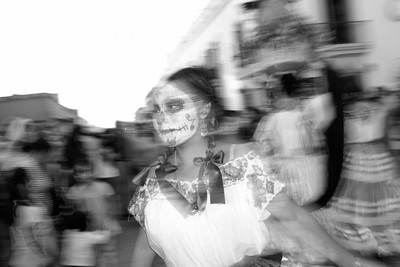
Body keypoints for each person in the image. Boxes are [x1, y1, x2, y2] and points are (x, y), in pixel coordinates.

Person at [128, 67, 386, 267]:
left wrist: (351, 262)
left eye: (174, 106)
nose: (162, 118)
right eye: (157, 110)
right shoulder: (153, 178)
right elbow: (144, 246)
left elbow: (293, 216)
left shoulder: (240, 162)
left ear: (204, 109)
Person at [314, 89, 400, 266]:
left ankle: (367, 241)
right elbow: (385, 137)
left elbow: (337, 138)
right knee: (378, 201)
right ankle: (380, 242)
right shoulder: (380, 109)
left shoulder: (346, 113)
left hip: (357, 158)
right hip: (375, 156)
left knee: (359, 201)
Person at [254, 73, 327, 206]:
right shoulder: (305, 109)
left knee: (294, 203)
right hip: (305, 162)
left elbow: (263, 143)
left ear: (280, 89)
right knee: (305, 201)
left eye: (274, 88)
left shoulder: (274, 116)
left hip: (290, 163)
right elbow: (316, 137)